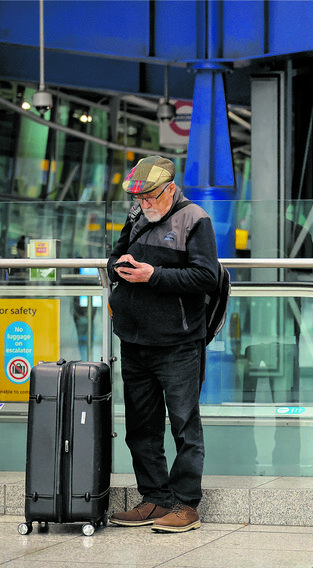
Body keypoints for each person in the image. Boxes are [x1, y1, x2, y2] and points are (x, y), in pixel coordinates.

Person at [106, 155, 219, 533]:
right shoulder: (136, 215)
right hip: (134, 339)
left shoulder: (195, 220)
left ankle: (186, 504)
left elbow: (205, 277)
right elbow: (113, 258)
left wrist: (153, 275)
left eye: (150, 197)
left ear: (170, 189)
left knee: (184, 425)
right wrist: (120, 265)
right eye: (139, 198)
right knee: (140, 427)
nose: (144, 204)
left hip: (178, 343)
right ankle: (154, 497)